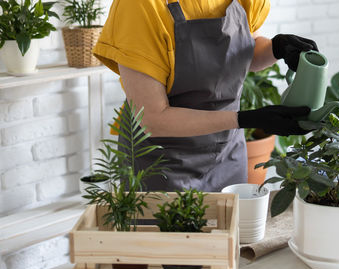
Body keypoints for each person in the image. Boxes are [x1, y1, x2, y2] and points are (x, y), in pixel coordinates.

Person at [93, 0, 319, 192]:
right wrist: (246, 119)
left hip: (227, 156)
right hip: (160, 164)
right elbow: (152, 119)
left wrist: (276, 48)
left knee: (227, 239)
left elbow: (245, 54)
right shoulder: (139, 7)